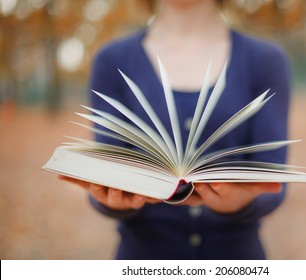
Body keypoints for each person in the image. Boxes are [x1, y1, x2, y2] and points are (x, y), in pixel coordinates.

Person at [60, 0, 291, 259]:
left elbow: (275, 181)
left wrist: (240, 202)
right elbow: (106, 175)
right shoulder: (111, 60)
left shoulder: (266, 60)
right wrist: (113, 201)